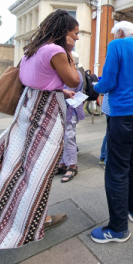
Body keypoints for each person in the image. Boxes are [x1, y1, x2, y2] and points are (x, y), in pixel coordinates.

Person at [0, 10, 80, 249]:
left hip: (28, 107)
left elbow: (37, 80)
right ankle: (33, 219)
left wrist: (60, 90)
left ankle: (22, 211)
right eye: (75, 33)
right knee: (39, 168)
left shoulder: (33, 48)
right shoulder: (57, 50)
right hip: (46, 113)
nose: (77, 38)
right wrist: (69, 52)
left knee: (19, 162)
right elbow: (74, 80)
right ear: (64, 31)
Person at [90, 21, 133, 244]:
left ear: (120, 32)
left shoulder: (116, 45)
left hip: (123, 115)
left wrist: (94, 87)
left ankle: (118, 229)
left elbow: (108, 82)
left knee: (116, 170)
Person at [57, 52, 85, 183]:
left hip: (70, 110)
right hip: (66, 110)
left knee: (69, 137)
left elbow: (68, 92)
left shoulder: (74, 74)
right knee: (64, 137)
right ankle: (63, 163)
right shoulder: (72, 72)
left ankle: (72, 166)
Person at [99, 92, 110, 168]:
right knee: (112, 134)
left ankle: (103, 156)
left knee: (109, 133)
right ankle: (107, 161)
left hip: (107, 105)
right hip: (113, 107)